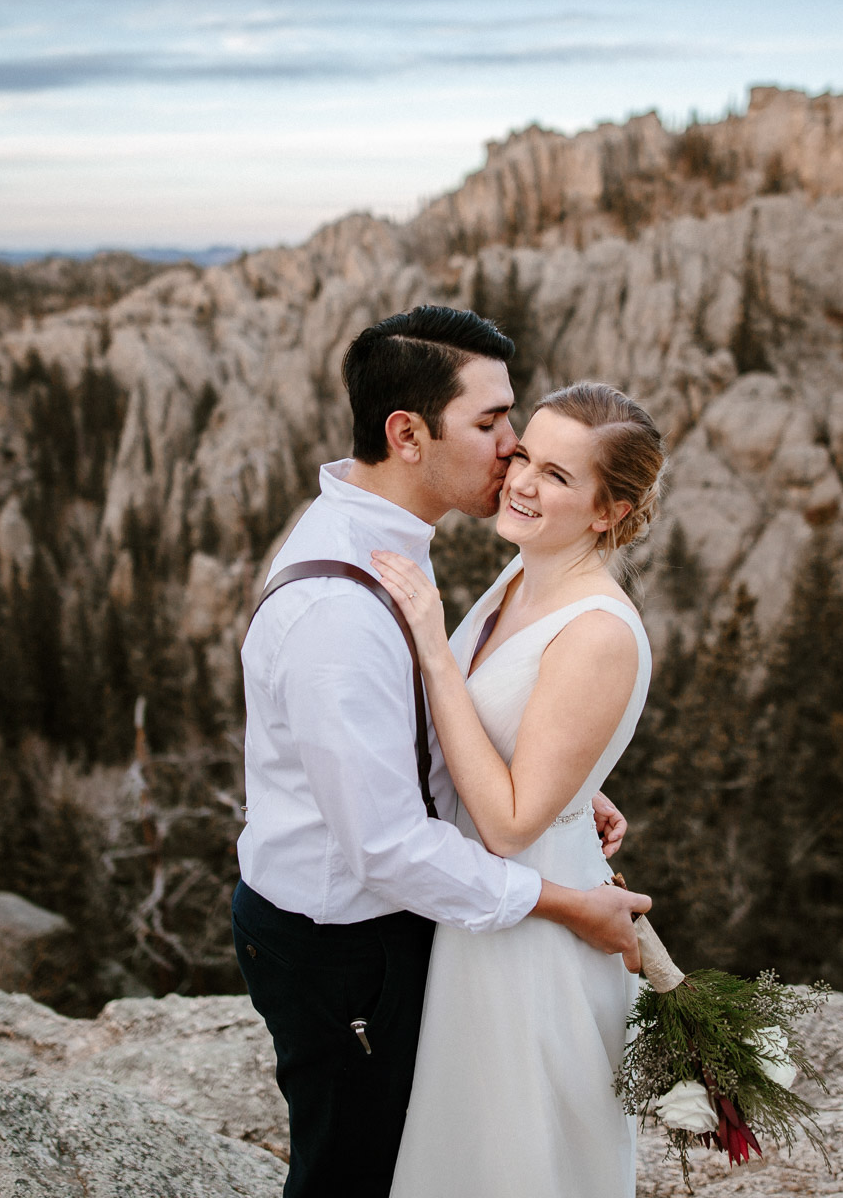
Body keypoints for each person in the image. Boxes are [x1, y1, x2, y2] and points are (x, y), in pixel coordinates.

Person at [232, 306, 652, 1198]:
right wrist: (566, 903)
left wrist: (565, 783)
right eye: (495, 425)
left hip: (416, 930)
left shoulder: (390, 547)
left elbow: (431, 728)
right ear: (407, 434)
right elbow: (383, 845)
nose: (511, 455)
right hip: (342, 941)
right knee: (352, 1176)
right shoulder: (340, 611)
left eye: (526, 434)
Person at [372, 381, 665, 1198]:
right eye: (525, 454)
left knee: (518, 1164)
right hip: (487, 917)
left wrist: (433, 647)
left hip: (535, 944)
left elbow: (504, 824)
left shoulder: (598, 632)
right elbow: (518, 742)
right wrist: (581, 787)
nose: (523, 481)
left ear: (609, 512)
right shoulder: (522, 574)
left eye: (560, 477)